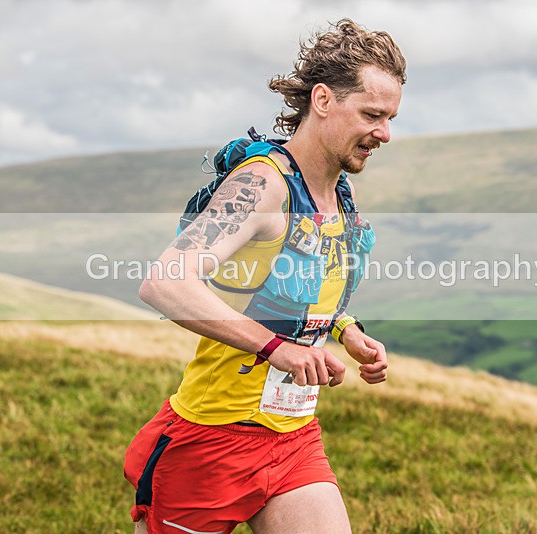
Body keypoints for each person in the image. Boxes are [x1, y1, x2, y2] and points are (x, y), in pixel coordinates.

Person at [124, 18, 406, 534]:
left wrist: (348, 331)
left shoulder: (336, 196)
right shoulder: (263, 184)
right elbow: (165, 282)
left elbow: (290, 290)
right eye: (372, 114)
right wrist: (277, 348)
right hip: (210, 438)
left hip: (293, 438)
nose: (384, 133)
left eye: (389, 118)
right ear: (323, 100)